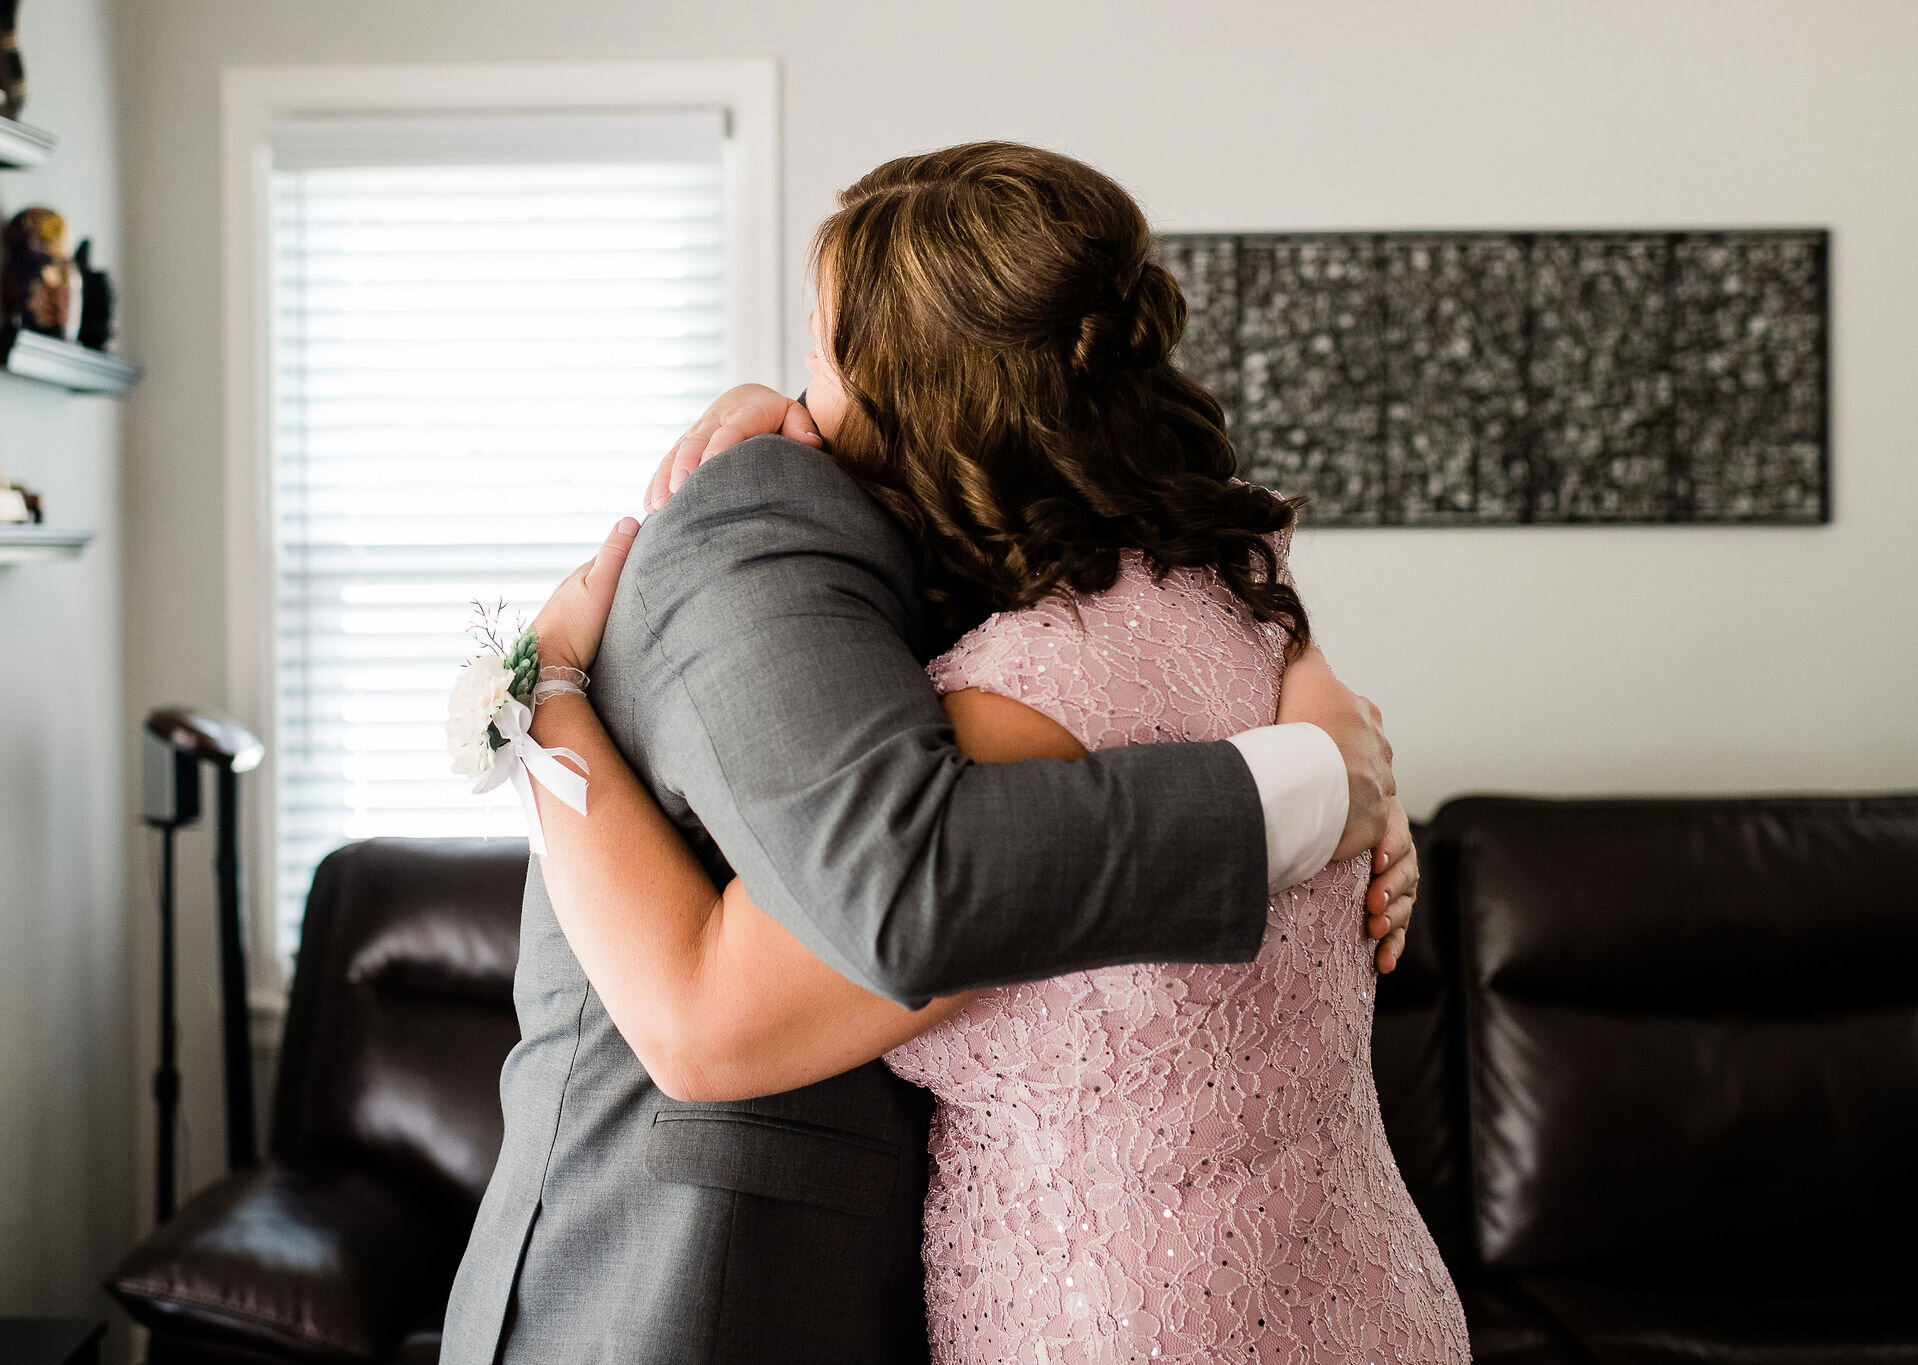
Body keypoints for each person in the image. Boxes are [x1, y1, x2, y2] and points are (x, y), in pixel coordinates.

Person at [453, 143, 1462, 1363]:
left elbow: (707, 1024)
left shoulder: (1004, 712)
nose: (794, 404)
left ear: (895, 386)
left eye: (819, 350)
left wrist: (545, 693)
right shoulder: (1240, 604)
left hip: (1125, 1323)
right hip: (1371, 1293)